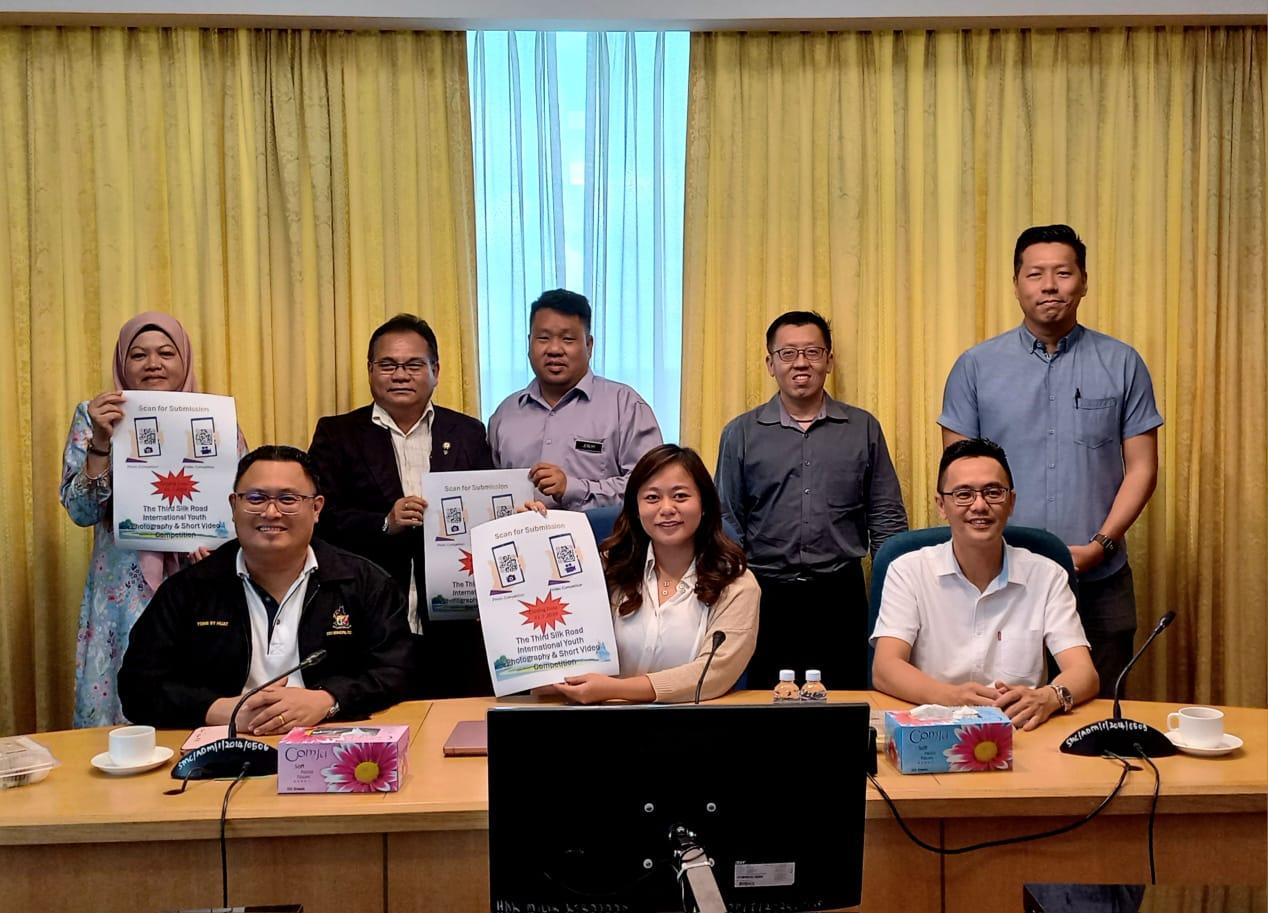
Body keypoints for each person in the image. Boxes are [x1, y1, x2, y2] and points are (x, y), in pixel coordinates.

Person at [939, 224, 1163, 696]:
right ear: (1016, 283)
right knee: (1005, 710)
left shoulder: (1122, 362)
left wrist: (1101, 543)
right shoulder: (976, 366)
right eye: (1035, 273)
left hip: (1099, 574)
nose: (1049, 285)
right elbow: (958, 474)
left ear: (1083, 282)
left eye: (1063, 272)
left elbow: (1142, 467)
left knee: (1101, 710)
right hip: (1002, 579)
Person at [118, 446, 413, 731]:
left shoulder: (365, 583)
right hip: (221, 745)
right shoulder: (189, 589)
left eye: (288, 499)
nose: (271, 512)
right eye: (256, 498)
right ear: (234, 506)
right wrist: (226, 711)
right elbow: (138, 687)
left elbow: (395, 671)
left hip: (330, 739)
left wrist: (328, 700)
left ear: (316, 508)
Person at [59, 311, 247, 728]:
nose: (153, 363)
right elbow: (80, 511)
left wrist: (218, 550)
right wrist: (102, 443)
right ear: (122, 363)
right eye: (138, 354)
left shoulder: (217, 419)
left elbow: (241, 507)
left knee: (195, 701)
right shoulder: (95, 416)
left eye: (166, 352)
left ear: (185, 360)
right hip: (121, 592)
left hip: (201, 580)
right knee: (125, 709)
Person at [715, 310, 908, 691]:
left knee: (845, 706)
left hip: (840, 593)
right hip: (765, 593)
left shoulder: (862, 427)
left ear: (829, 360)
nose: (800, 363)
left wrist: (896, 595)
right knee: (767, 704)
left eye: (812, 352)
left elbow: (886, 516)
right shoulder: (741, 432)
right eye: (787, 354)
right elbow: (726, 517)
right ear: (770, 364)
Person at [308, 314, 494, 698]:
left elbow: (487, 511)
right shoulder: (338, 433)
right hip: (370, 615)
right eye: (388, 365)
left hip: (457, 618)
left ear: (435, 370)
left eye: (413, 365)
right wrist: (384, 522)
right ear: (370, 370)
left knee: (456, 720)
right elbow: (318, 518)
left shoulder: (468, 432)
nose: (400, 375)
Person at [871, 439, 1099, 730]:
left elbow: (1084, 672)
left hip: (1022, 732)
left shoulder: (1047, 575)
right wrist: (950, 697)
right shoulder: (908, 571)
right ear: (942, 505)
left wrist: (1049, 697)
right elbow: (885, 668)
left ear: (1011, 502)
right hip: (931, 730)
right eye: (963, 494)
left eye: (993, 492)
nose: (979, 506)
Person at [524, 444, 759, 703]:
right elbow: (545, 614)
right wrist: (531, 535)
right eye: (652, 498)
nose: (667, 508)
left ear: (704, 505)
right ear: (636, 508)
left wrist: (614, 690)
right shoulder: (607, 568)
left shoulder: (736, 584)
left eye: (680, 496)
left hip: (693, 729)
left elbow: (714, 675)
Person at [488, 289, 663, 510]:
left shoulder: (625, 406)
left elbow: (653, 488)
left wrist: (573, 488)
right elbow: (489, 492)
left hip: (603, 542)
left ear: (589, 345)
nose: (554, 349)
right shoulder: (505, 414)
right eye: (543, 338)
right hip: (521, 542)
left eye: (567, 339)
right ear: (529, 343)